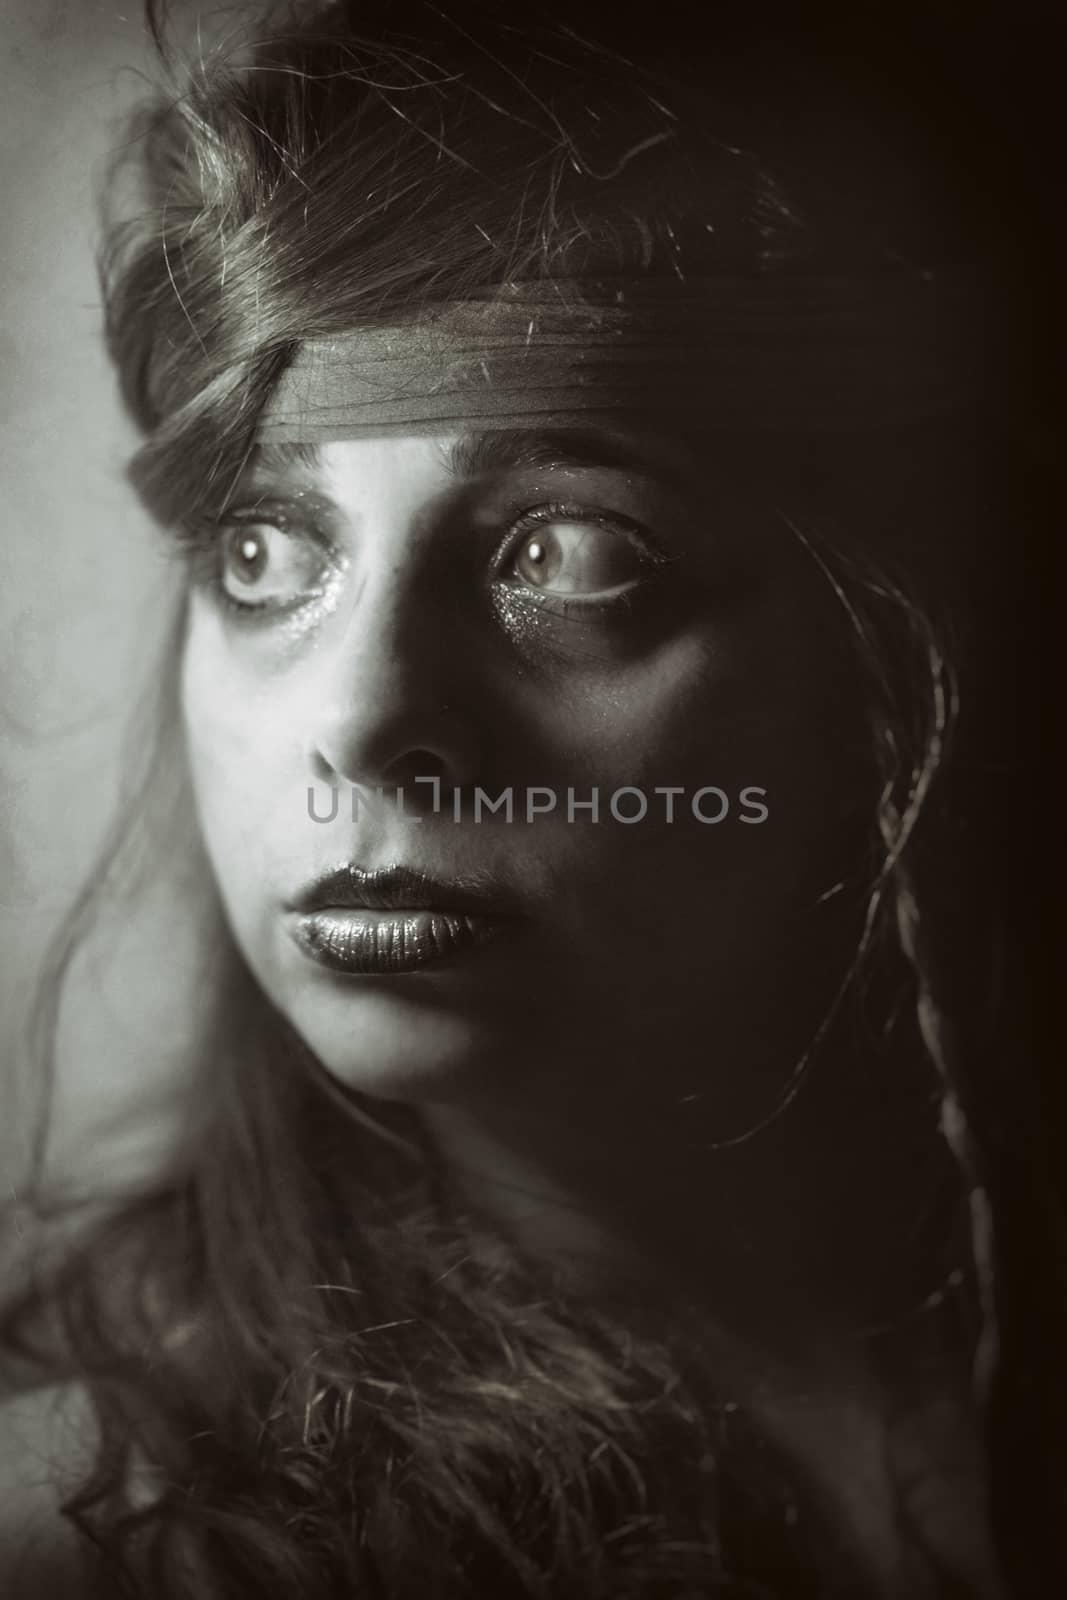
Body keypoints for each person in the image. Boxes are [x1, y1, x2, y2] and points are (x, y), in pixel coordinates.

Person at [0, 2, 1053, 1595]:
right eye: (265, 553)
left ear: (892, 660)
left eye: (566, 554)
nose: (358, 727)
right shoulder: (107, 1531)